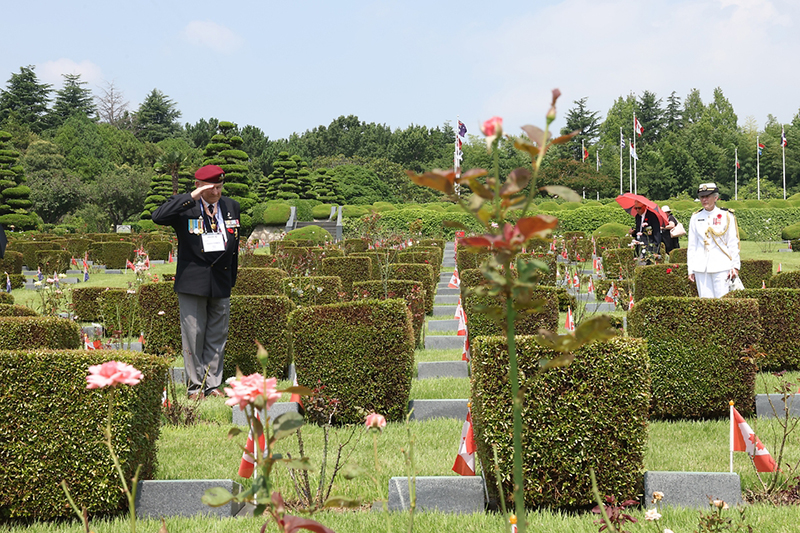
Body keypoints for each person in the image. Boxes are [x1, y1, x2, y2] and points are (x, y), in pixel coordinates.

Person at [152, 165, 241, 399]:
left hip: (221, 279)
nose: (217, 193)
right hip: (193, 280)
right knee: (193, 335)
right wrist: (191, 197)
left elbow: (235, 247)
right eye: (212, 188)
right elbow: (158, 217)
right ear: (199, 187)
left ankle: (212, 384)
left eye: (220, 187)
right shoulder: (186, 207)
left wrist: (231, 278)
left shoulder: (231, 207)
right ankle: (195, 386)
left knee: (217, 335)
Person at [687, 182, 740, 298]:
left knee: (722, 302)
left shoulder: (726, 215)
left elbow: (732, 242)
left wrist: (735, 266)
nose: (704, 200)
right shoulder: (695, 217)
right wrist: (690, 268)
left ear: (715, 198)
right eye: (702, 197)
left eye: (707, 196)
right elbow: (692, 245)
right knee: (706, 303)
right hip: (701, 267)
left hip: (721, 265)